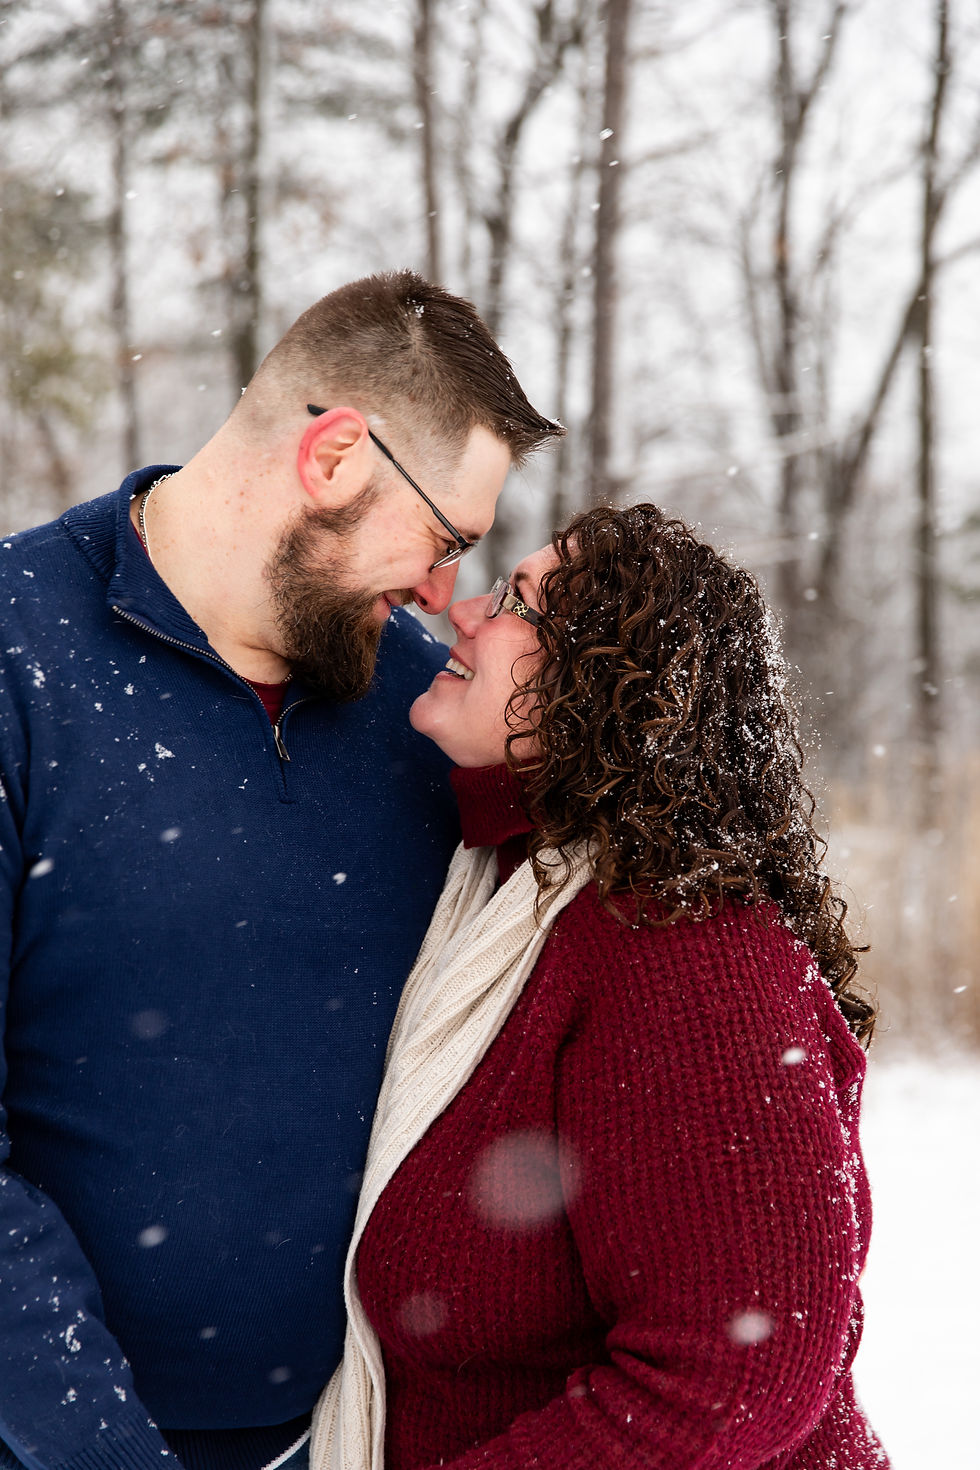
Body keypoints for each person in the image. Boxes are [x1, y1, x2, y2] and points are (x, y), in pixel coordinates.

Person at [0, 270, 561, 1470]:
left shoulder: (422, 708)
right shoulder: (17, 663)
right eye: (445, 540)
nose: (441, 593)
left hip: (361, 1436)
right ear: (336, 455)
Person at [313, 502, 891, 1470]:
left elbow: (735, 1375)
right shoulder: (504, 893)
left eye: (516, 603)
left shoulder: (686, 947)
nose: (462, 613)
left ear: (605, 686)